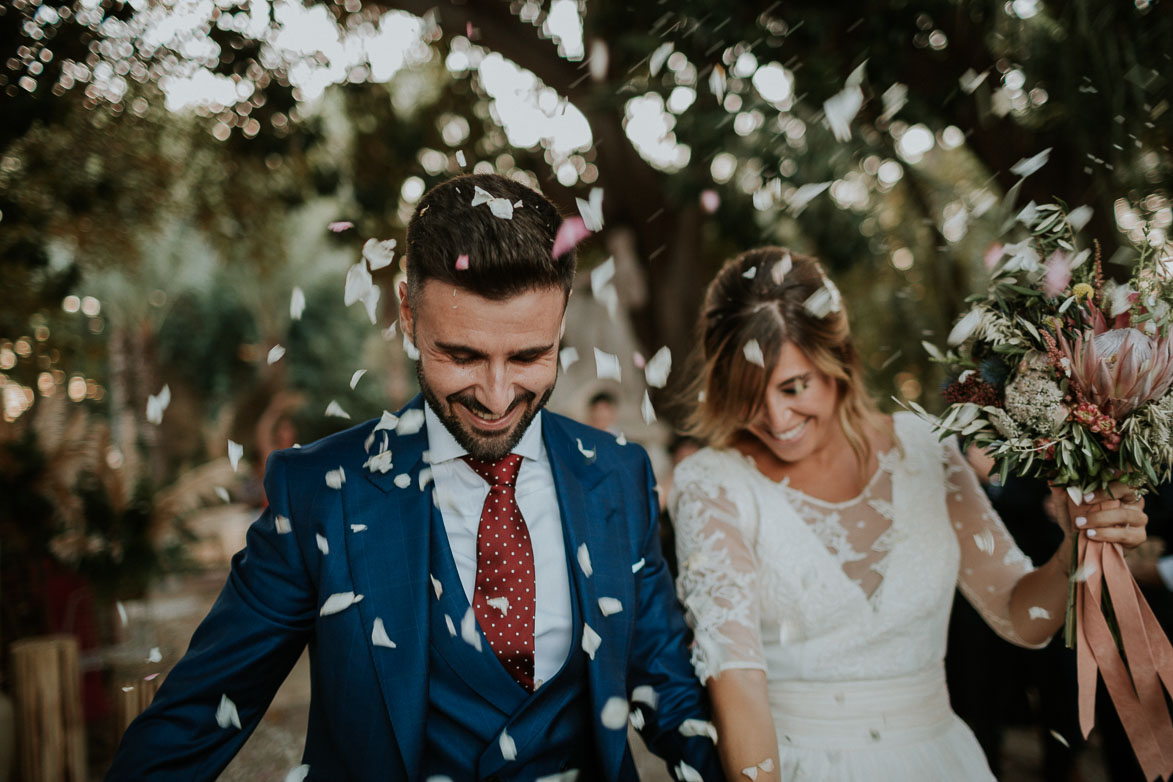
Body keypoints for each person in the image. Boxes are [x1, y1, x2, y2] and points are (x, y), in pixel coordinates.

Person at [108, 173, 722, 781]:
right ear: (407, 312)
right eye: (462, 355)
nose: (497, 395)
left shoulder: (619, 474)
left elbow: (667, 691)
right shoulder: (320, 493)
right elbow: (194, 720)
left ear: (560, 322)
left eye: (530, 356)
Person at [669, 247, 1149, 782]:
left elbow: (1021, 617)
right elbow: (739, 689)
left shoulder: (925, 449)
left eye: (793, 387)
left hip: (941, 761)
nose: (776, 418)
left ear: (838, 357)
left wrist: (1078, 547)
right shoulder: (713, 483)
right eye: (746, 395)